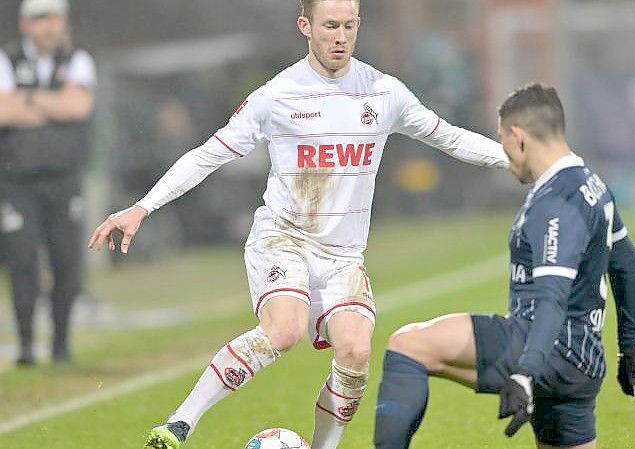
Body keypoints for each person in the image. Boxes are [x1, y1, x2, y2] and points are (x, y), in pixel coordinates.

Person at [87, 1, 508, 448]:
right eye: (330, 26)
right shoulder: (278, 95)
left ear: (358, 26)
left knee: (356, 351)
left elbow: (449, 135)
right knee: (284, 330)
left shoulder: (383, 93)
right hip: (283, 237)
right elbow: (208, 154)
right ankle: (179, 425)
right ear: (306, 26)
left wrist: (521, 161)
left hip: (343, 255)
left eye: (348, 26)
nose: (340, 36)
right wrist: (143, 207)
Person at [372, 83, 635, 449]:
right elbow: (627, 265)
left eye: (503, 140)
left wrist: (525, 371)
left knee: (408, 344)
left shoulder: (554, 202)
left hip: (542, 349)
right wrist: (630, 349)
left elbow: (551, 299)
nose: (504, 154)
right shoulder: (591, 183)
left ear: (519, 137)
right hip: (582, 363)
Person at [0, 0, 96, 366]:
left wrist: (26, 100)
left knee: (65, 260)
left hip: (63, 178)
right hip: (16, 180)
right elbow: (3, 111)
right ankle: (26, 345)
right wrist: (53, 103)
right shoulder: (6, 59)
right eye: (41, 19)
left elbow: (79, 108)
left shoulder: (77, 60)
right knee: (21, 259)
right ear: (26, 24)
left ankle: (61, 344)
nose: (49, 26)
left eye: (54, 18)